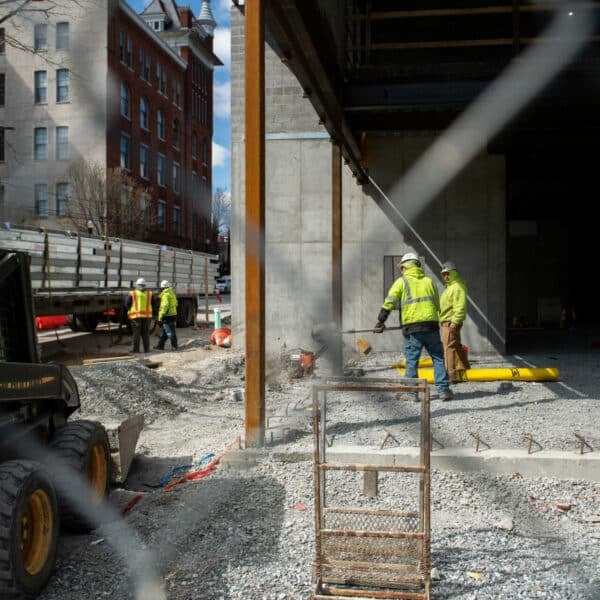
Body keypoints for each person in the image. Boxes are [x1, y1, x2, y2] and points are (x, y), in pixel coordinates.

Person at [374, 252, 453, 401]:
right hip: (431, 327)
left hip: (412, 329)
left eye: (402, 268)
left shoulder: (401, 282)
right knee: (438, 358)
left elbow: (389, 302)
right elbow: (437, 304)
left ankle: (412, 393)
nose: (401, 270)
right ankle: (443, 391)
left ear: (405, 267)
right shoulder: (429, 281)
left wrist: (380, 321)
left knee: (412, 361)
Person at [439, 261, 470, 382]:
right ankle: (464, 368)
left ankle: (450, 375)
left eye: (448, 273)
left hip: (450, 322)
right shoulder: (451, 287)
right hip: (449, 321)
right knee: (456, 346)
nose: (446, 276)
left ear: (453, 273)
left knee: (448, 348)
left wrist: (454, 322)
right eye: (444, 274)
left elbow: (460, 306)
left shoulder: (457, 287)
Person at [126, 277, 154, 353]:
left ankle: (136, 350)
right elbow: (153, 305)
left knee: (136, 334)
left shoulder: (132, 293)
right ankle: (147, 349)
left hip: (135, 317)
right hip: (147, 317)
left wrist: (130, 311)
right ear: (145, 285)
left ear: (137, 285)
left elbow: (127, 304)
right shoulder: (149, 294)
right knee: (145, 333)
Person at [154, 280, 178, 351]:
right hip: (173, 314)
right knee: (165, 332)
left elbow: (165, 306)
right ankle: (160, 345)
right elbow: (176, 303)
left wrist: (160, 317)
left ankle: (174, 346)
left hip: (167, 316)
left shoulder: (165, 295)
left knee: (169, 332)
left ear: (163, 288)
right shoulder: (171, 293)